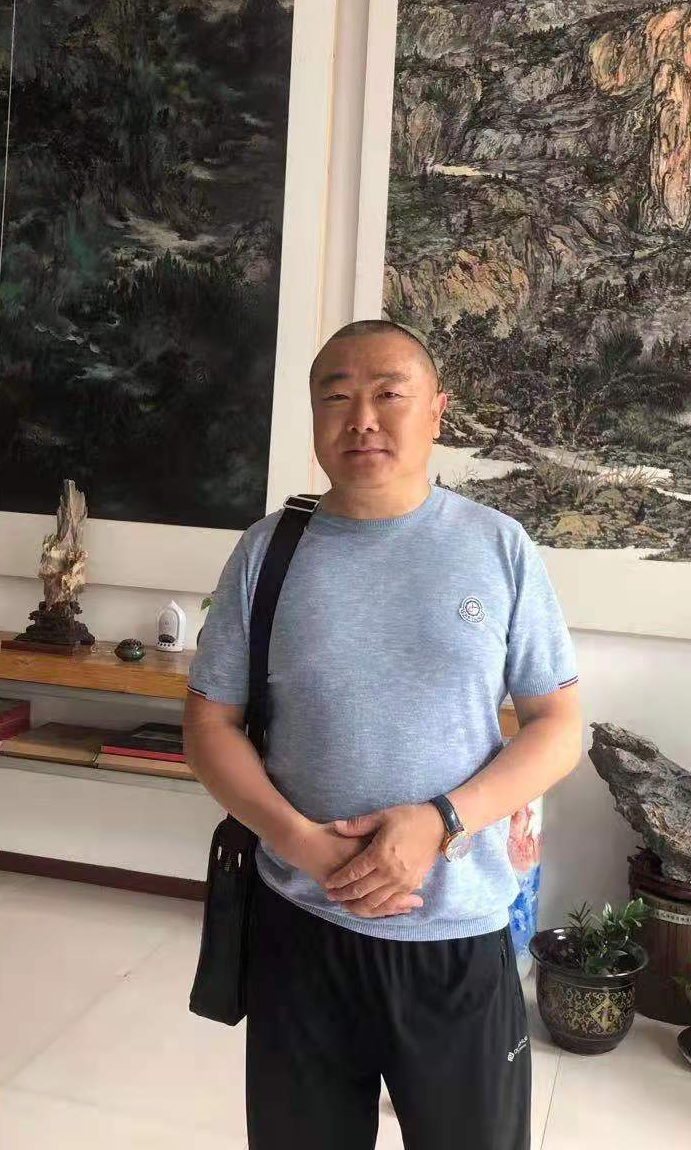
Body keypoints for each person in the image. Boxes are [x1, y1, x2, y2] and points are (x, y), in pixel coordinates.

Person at [184, 319, 581, 1150]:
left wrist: (441, 821)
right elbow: (209, 725)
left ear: (436, 411)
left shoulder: (497, 547)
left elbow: (558, 728)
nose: (361, 419)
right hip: (301, 926)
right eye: (336, 397)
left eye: (389, 394)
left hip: (455, 934)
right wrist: (300, 842)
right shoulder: (267, 552)